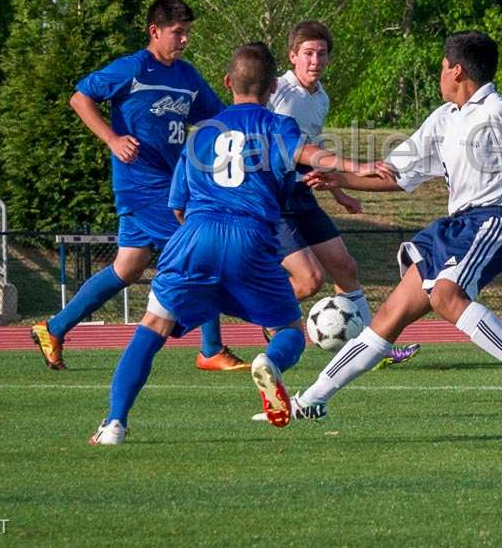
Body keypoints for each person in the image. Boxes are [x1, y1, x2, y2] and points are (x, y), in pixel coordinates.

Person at [90, 42, 393, 445]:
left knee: (152, 327)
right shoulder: (276, 125)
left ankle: (114, 425)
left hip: (195, 235)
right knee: (289, 331)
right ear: (271, 89)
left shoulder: (201, 135)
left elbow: (177, 206)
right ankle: (269, 359)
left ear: (228, 82)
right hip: (250, 237)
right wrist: (360, 166)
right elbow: (307, 153)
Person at [281, 31, 502, 426]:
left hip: (491, 220)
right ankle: (312, 399)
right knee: (387, 318)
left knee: (445, 296)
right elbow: (396, 175)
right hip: (452, 227)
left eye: (443, 67)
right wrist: (339, 180)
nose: (440, 74)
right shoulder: (444, 119)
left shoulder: (501, 110)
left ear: (457, 70)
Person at [31, 0, 244, 372]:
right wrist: (112, 139)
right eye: (177, 33)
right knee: (201, 252)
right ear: (155, 31)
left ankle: (54, 328)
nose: (184, 40)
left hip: (170, 185)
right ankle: (210, 349)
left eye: (187, 33)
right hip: (144, 186)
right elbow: (80, 98)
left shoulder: (187, 76)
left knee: (127, 267)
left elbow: (218, 119)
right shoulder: (132, 69)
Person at [268, 20, 419, 368]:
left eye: (321, 54)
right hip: (273, 202)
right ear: (292, 56)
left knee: (346, 269)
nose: (314, 60)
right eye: (307, 53)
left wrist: (339, 193)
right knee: (308, 283)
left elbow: (313, 152)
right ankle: (267, 314)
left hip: (302, 195)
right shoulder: (276, 91)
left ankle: (372, 350)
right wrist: (356, 167)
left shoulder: (320, 98)